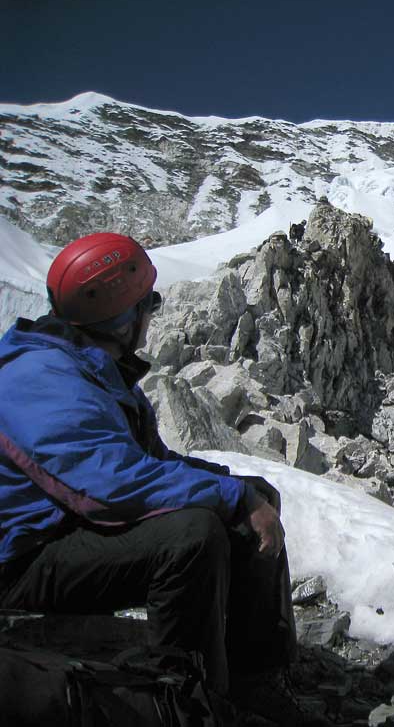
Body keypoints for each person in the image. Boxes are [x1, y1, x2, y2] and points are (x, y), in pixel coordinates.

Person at [0, 233, 319, 724]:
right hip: (22, 562)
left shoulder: (87, 368)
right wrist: (230, 497)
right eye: (148, 301)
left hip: (63, 534)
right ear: (121, 315)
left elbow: (150, 461)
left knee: (250, 497)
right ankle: (190, 702)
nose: (153, 311)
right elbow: (109, 488)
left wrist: (240, 491)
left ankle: (256, 680)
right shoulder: (39, 377)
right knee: (190, 535)